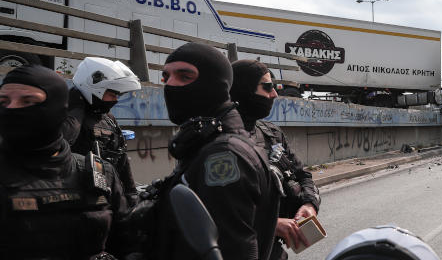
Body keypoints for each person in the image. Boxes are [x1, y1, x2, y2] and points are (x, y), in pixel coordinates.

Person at [154, 42, 281, 260]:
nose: (171, 85)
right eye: (166, 77)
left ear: (215, 84)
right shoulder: (205, 141)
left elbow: (234, 248)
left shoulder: (224, 154)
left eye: (184, 76)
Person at [0, 65, 131, 258]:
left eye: (28, 100)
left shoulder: (99, 173)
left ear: (57, 106)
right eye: (3, 101)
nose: (12, 109)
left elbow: (128, 243)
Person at [231, 59, 321, 260]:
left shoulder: (271, 133)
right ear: (243, 90)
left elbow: (302, 175)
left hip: (272, 251)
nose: (274, 94)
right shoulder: (217, 143)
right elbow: (210, 211)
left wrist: (309, 205)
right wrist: (271, 224)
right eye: (267, 87)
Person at [62, 57, 142, 203]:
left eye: (117, 96)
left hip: (108, 196)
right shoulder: (70, 116)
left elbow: (122, 157)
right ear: (94, 88)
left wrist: (131, 193)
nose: (115, 100)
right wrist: (76, 107)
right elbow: (64, 140)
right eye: (112, 94)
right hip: (75, 199)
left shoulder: (109, 119)